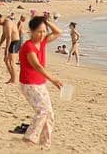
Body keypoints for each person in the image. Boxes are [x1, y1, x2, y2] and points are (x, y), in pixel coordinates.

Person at [19, 15, 64, 147]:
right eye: (39, 31)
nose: (42, 34)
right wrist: (54, 80)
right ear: (31, 32)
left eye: (44, 31)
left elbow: (58, 32)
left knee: (49, 114)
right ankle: (29, 138)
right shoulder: (29, 46)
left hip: (40, 83)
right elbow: (37, 66)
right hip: (29, 84)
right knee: (42, 111)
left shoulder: (42, 41)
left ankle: (45, 143)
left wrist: (47, 22)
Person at [0, 13, 20, 83]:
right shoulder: (4, 24)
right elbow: (3, 36)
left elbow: (9, 37)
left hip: (15, 43)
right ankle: (12, 77)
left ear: (0, 19)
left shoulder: (8, 23)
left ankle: (14, 80)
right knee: (6, 60)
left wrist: (6, 50)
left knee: (12, 62)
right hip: (12, 43)